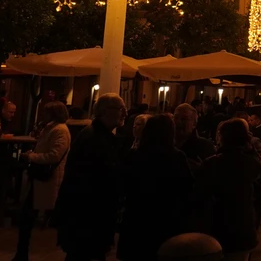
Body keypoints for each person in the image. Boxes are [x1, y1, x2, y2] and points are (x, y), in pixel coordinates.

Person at [56, 93, 125, 261]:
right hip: (88, 218)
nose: (125, 113)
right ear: (105, 111)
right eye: (120, 109)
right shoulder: (96, 139)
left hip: (86, 217)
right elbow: (99, 179)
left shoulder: (96, 136)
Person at [118, 114, 193, 261]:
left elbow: (123, 183)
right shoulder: (177, 157)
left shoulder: (134, 155)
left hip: (137, 218)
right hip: (166, 219)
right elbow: (187, 188)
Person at [195, 118, 261, 261]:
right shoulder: (249, 163)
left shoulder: (213, 163)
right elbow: (260, 167)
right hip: (243, 226)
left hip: (218, 226)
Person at [15, 101, 71, 261]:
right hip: (42, 178)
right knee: (28, 215)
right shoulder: (53, 129)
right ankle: (22, 252)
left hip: (47, 178)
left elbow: (54, 155)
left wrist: (32, 156)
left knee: (29, 215)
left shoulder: (59, 130)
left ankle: (22, 253)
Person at [174, 103, 215, 170]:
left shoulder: (205, 147)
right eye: (176, 118)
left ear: (194, 124)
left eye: (184, 119)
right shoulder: (165, 144)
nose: (178, 122)